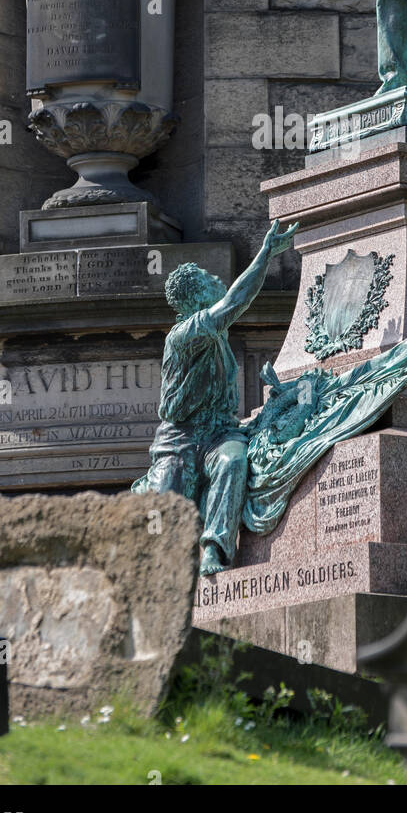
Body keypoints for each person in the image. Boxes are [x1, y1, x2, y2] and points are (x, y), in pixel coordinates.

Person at [131, 219, 298, 575]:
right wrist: (265, 253)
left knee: (233, 462)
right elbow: (237, 300)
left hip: (220, 434)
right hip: (180, 442)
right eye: (208, 280)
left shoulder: (216, 335)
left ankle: (214, 549)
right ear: (194, 298)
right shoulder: (186, 334)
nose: (217, 280)